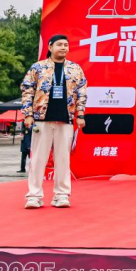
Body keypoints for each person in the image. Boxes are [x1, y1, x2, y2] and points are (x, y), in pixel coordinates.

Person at [20, 34, 87, 209]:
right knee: (38, 159)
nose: (63, 47)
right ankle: (34, 196)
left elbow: (81, 92)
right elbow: (27, 90)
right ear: (50, 47)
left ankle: (61, 195)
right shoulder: (38, 67)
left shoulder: (75, 68)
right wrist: (28, 114)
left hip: (65, 119)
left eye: (66, 45)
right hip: (41, 119)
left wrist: (80, 114)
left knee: (63, 159)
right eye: (59, 44)